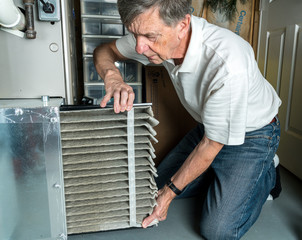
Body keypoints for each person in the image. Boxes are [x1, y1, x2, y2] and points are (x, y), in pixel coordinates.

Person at [93, 0, 281, 239]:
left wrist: (170, 194)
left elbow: (212, 144)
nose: (139, 48)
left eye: (150, 36)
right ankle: (221, 175)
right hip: (209, 129)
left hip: (253, 134)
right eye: (134, 34)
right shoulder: (151, 30)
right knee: (150, 190)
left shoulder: (228, 61)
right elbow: (103, 51)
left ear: (182, 25)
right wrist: (113, 76)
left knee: (218, 230)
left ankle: (268, 171)